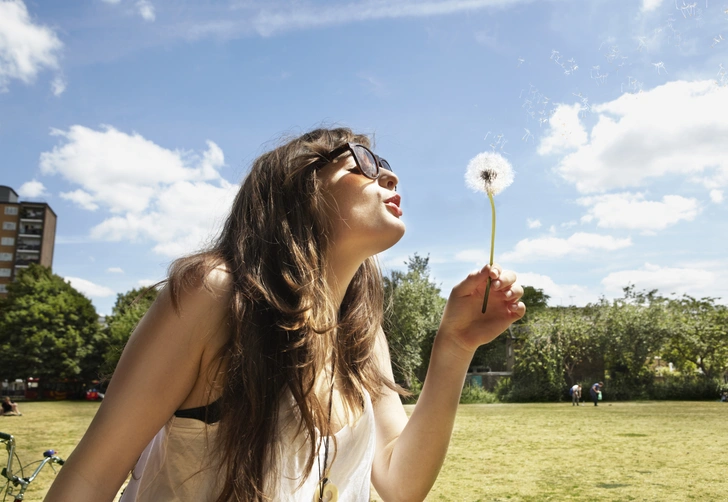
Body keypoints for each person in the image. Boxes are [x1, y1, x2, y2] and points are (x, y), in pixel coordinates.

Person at [44, 127, 525, 502]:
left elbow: (400, 483)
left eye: (388, 166)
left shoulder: (361, 334)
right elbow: (91, 477)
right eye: (363, 161)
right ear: (298, 186)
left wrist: (455, 347)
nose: (390, 176)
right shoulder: (216, 295)